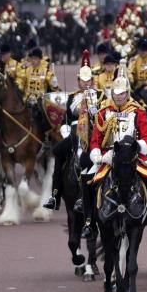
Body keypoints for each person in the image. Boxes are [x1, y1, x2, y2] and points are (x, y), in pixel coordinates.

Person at [84, 66, 147, 240]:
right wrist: (98, 156)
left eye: (122, 93)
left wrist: (136, 148)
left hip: (133, 156)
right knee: (87, 180)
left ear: (127, 93)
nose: (119, 96)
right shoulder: (103, 112)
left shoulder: (138, 111)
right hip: (108, 157)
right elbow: (95, 140)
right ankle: (89, 222)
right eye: (116, 93)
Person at [44, 50, 98, 212]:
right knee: (58, 152)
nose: (86, 83)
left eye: (89, 80)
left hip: (95, 132)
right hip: (75, 132)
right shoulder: (72, 97)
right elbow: (65, 119)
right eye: (83, 80)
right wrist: (66, 130)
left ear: (93, 81)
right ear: (79, 81)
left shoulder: (101, 96)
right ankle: (55, 195)